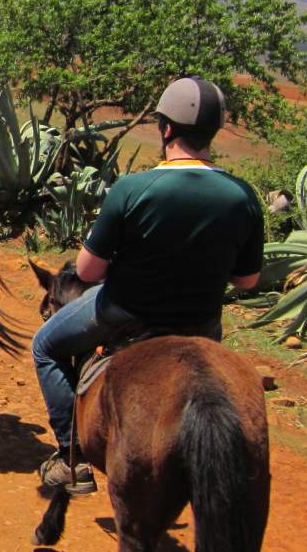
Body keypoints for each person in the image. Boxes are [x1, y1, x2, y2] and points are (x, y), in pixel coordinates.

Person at [32, 76, 264, 493]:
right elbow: (247, 279)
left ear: (167, 128)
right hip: (202, 325)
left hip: (125, 309)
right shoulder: (242, 195)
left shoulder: (134, 189)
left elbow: (86, 273)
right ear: (212, 131)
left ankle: (72, 456)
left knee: (45, 347)